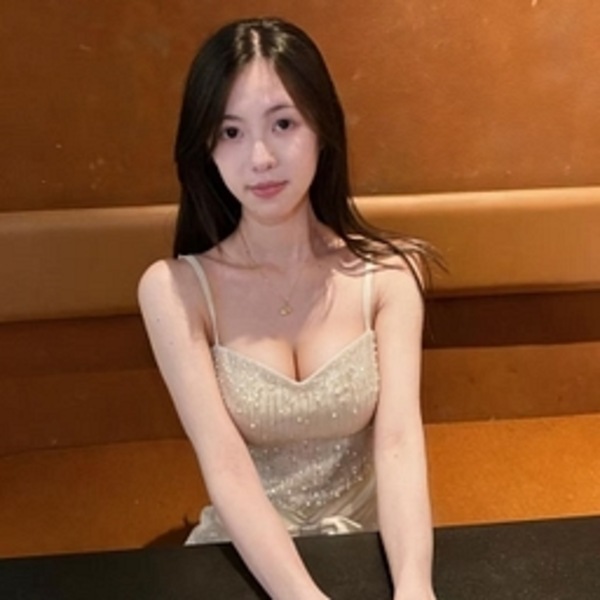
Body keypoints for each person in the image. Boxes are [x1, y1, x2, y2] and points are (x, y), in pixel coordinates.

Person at [139, 16, 439, 600]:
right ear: (206, 147)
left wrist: (413, 586)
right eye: (230, 132)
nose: (260, 157)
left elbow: (400, 443)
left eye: (283, 123)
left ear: (322, 128)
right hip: (251, 562)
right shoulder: (174, 290)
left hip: (369, 552)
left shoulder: (391, 274)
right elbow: (225, 467)